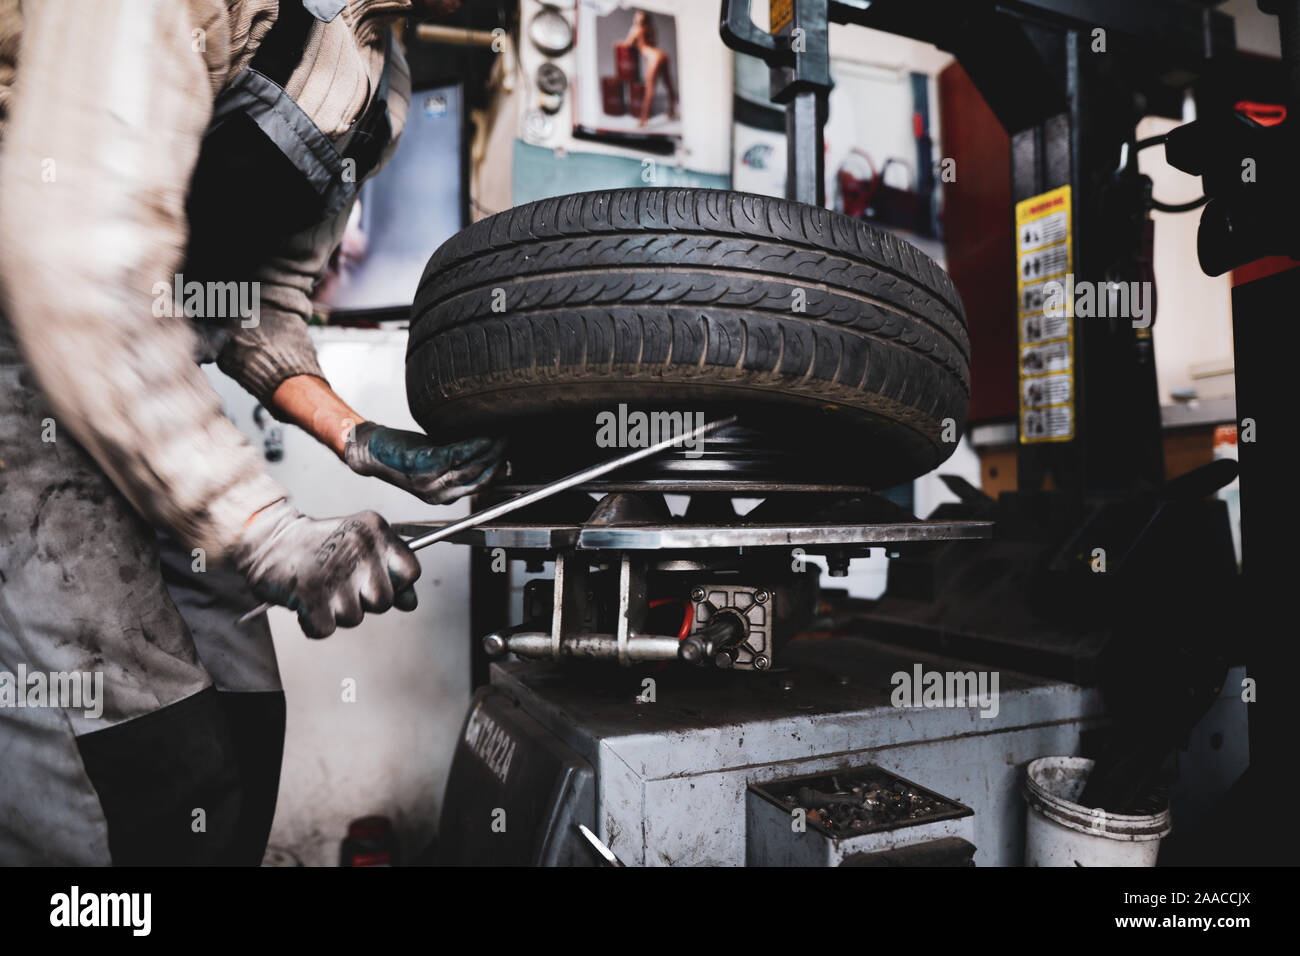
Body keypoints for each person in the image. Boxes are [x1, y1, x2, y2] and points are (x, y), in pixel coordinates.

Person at [0, 0, 495, 864]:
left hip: (137, 371)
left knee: (244, 717)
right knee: (143, 767)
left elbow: (257, 295)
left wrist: (360, 439)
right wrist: (265, 531)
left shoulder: (381, 77)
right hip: (26, 344)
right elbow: (76, 262)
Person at [619, 10, 678, 128]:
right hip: (662, 54)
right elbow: (653, 44)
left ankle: (643, 119)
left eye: (637, 17)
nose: (636, 19)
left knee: (649, 89)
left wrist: (627, 38)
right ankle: (672, 110)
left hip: (653, 57)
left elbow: (627, 44)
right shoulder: (651, 29)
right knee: (668, 84)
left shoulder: (636, 30)